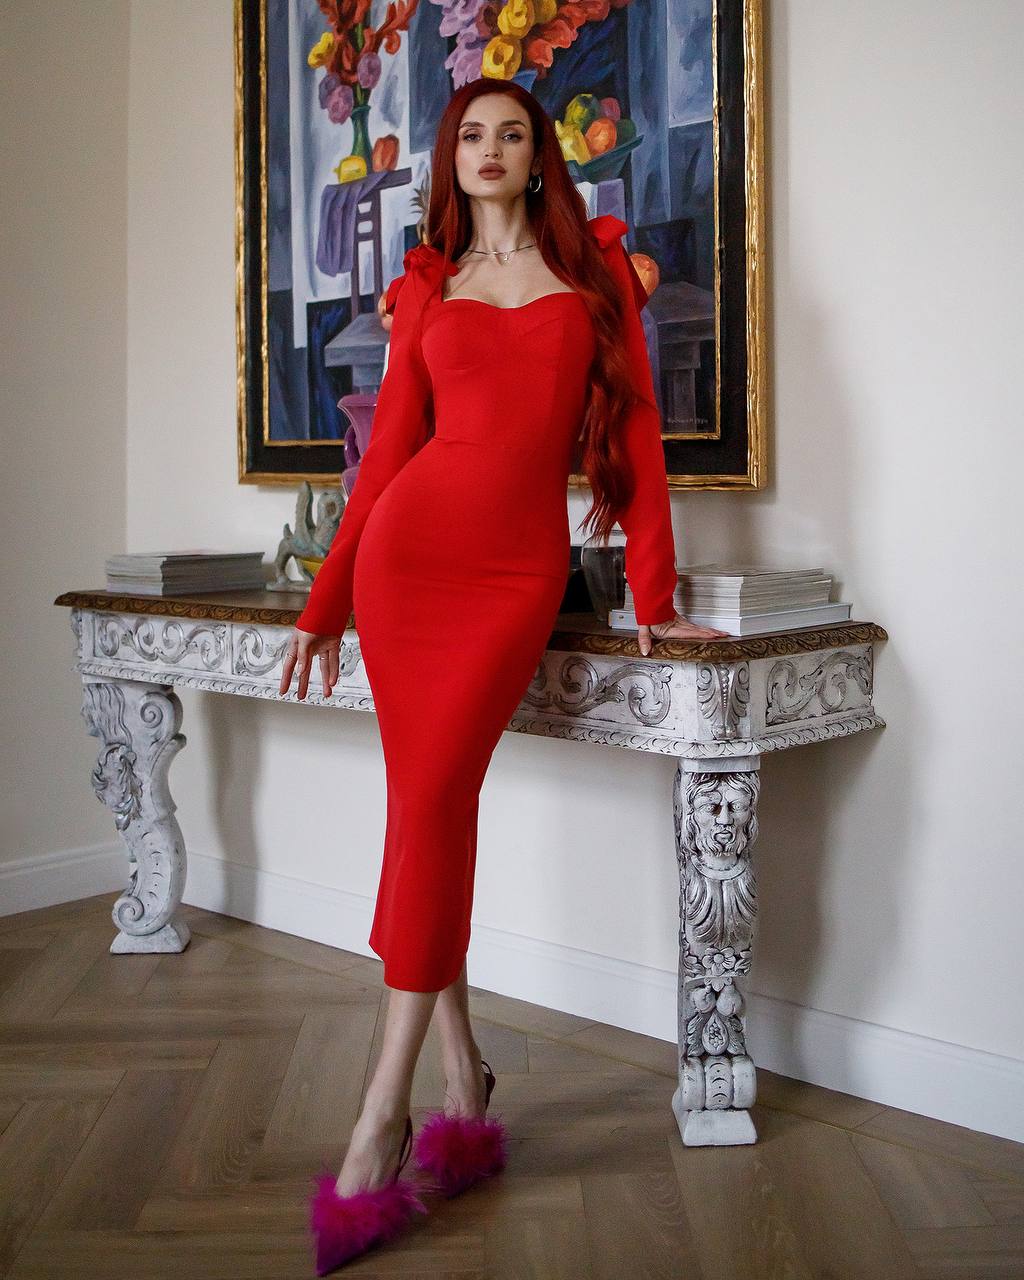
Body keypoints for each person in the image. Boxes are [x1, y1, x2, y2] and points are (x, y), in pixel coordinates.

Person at [279, 78, 729, 1272]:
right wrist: (328, 601)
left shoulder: (593, 288)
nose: (488, 150)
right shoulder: (428, 290)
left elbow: (635, 444)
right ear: (450, 158)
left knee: (428, 809)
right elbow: (381, 471)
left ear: (539, 160)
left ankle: (386, 1118)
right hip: (405, 564)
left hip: (509, 578)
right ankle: (451, 1091)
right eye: (469, 135)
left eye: (510, 135)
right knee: (431, 812)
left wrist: (655, 601)